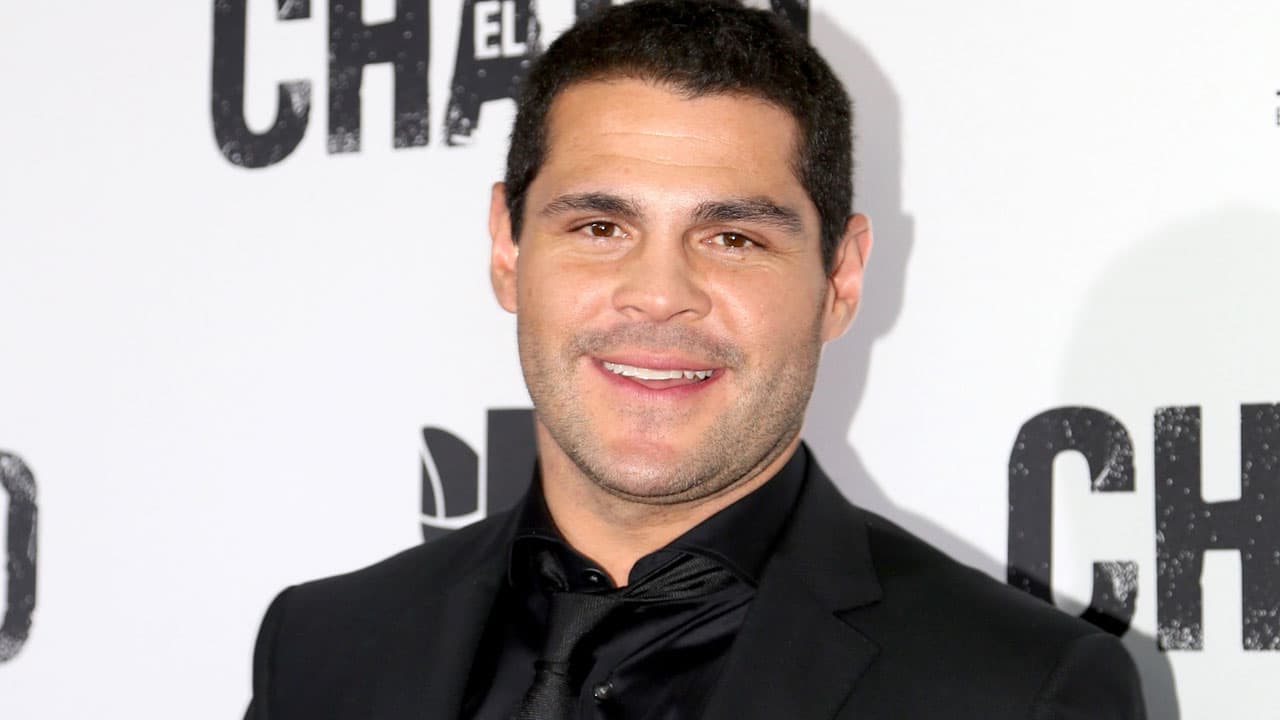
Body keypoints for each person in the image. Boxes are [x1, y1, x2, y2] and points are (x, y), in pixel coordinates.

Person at [244, 1, 1147, 718]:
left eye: (733, 238)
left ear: (840, 278)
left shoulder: (1021, 690)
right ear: (507, 250)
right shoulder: (320, 649)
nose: (658, 294)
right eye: (600, 227)